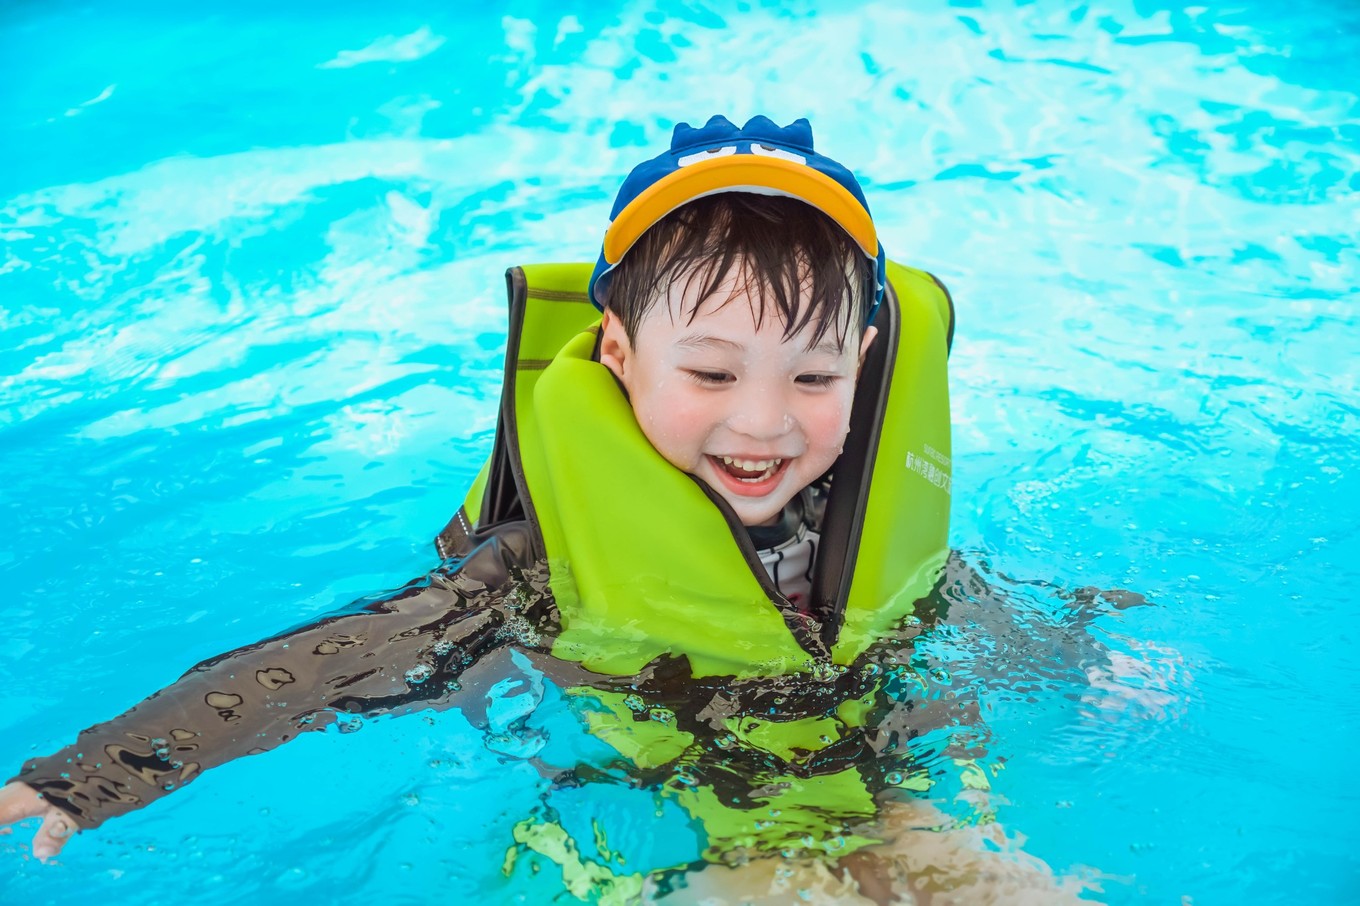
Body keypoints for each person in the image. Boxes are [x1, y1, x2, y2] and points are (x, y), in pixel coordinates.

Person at [3, 116, 1077, 900]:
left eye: (811, 379)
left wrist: (1072, 641)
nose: (763, 426)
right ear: (617, 355)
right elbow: (338, 660)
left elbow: (940, 603)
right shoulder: (539, 560)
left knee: (1008, 888)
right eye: (709, 375)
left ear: (868, 362)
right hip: (678, 810)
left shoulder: (857, 506)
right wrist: (106, 772)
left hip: (889, 768)